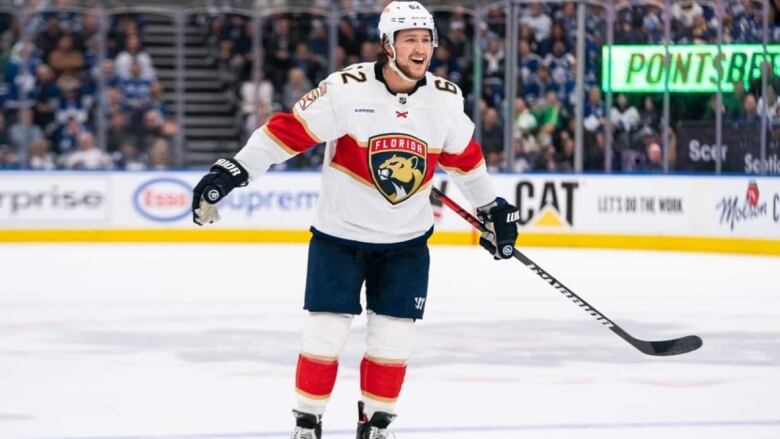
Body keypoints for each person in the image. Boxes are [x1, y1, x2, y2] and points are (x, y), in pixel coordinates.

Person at [190, 2, 520, 438]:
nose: (420, 48)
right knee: (323, 337)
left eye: (426, 39)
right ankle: (307, 424)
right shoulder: (347, 90)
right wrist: (235, 169)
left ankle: (377, 423)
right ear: (388, 45)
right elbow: (286, 133)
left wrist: (491, 208)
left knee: (394, 342)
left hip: (406, 245)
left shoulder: (446, 98)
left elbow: (467, 161)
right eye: (410, 40)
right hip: (339, 239)